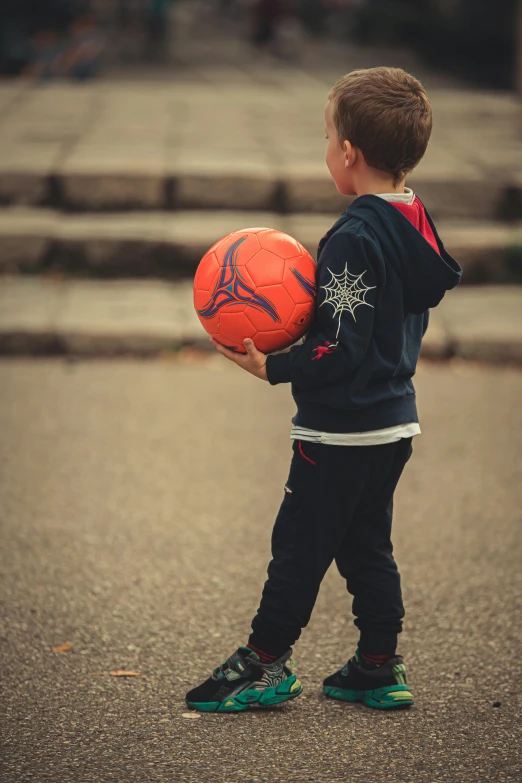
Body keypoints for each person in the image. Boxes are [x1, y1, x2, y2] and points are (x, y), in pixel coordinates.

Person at [185, 67, 462, 713]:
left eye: (326, 136)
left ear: (348, 153)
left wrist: (272, 366)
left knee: (299, 547)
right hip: (394, 423)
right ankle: (377, 665)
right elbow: (373, 329)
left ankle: (264, 661)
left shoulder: (352, 238)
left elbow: (342, 347)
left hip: (339, 429)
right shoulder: (414, 219)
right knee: (366, 543)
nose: (326, 150)